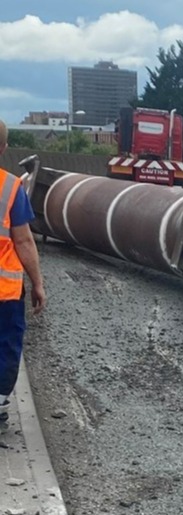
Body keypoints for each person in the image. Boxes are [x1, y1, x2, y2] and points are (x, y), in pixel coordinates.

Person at [0, 118, 46, 425]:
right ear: (3, 148)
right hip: (4, 292)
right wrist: (37, 284)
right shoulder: (9, 187)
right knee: (5, 343)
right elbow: (24, 240)